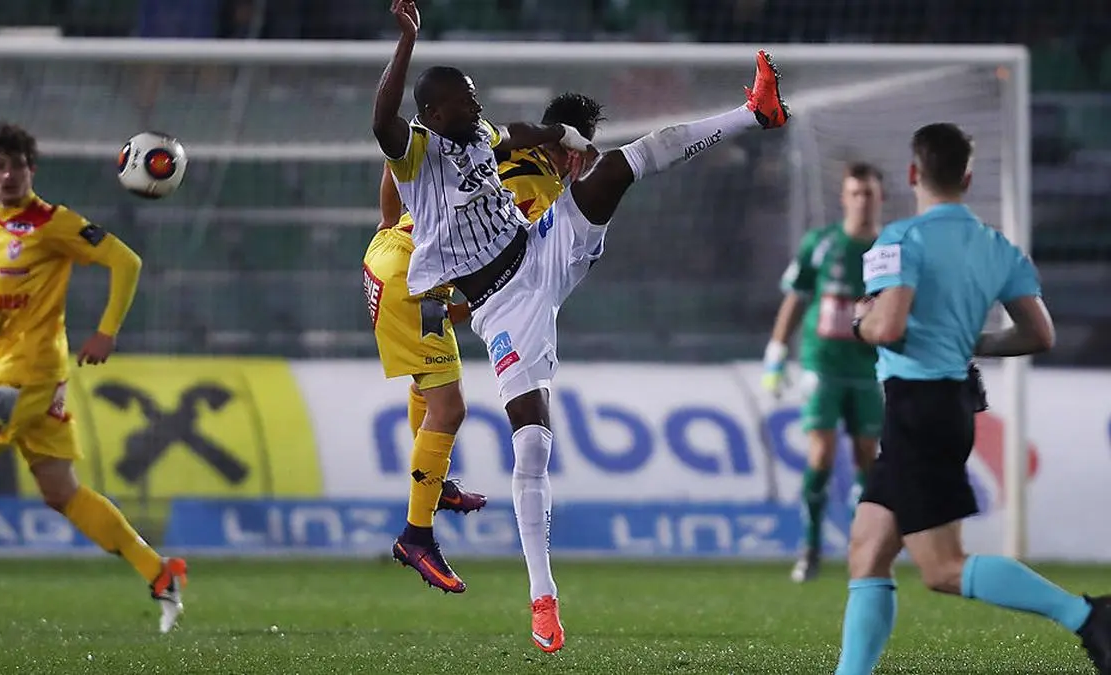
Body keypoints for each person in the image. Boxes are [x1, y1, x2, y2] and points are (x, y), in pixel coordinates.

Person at [372, 0, 789, 652]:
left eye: (475, 97)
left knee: (625, 163)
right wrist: (407, 41)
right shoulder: (417, 153)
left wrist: (565, 137)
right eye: (463, 100)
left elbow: (518, 132)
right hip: (503, 307)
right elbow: (382, 121)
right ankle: (543, 599)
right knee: (532, 441)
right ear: (433, 113)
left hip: (540, 246)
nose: (475, 105)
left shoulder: (478, 136)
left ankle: (755, 113)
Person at [835, 122, 1111, 674]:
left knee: (943, 568)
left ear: (913, 173)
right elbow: (1039, 334)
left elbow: (887, 327)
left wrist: (860, 322)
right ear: (966, 177)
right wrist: (972, 340)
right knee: (868, 550)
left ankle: (1088, 617)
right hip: (948, 404)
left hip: (918, 407)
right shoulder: (997, 246)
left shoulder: (900, 239)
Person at [0, 122, 188, 634]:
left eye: (16, 166)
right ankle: (160, 572)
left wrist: (106, 332)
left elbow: (125, 261)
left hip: (29, 374)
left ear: (31, 170)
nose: (8, 175)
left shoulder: (54, 223)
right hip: (17, 371)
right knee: (61, 492)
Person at [364, 92, 607, 595]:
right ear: (573, 152)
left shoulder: (487, 147)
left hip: (391, 255)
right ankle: (416, 535)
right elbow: (508, 271)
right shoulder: (544, 193)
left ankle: (435, 483)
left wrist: (388, 222)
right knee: (449, 409)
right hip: (410, 278)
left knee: (431, 382)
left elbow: (397, 161)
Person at [763, 162, 885, 583]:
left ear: (880, 198)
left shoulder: (890, 250)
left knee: (868, 456)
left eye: (869, 193)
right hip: (823, 363)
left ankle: (861, 546)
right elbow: (796, 298)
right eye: (856, 193)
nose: (862, 201)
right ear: (844, 198)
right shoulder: (821, 243)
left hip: (870, 367)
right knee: (821, 453)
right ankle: (810, 546)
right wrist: (777, 352)